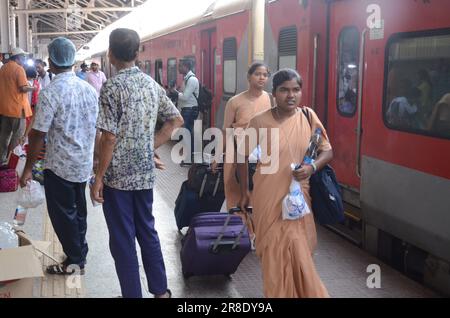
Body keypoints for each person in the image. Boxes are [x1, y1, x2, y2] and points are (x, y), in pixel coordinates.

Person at [91, 28, 183, 298]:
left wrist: (98, 177)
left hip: (117, 178)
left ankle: (132, 294)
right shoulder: (151, 84)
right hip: (143, 175)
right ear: (137, 52)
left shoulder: (112, 86)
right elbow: (176, 120)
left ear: (110, 52)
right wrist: (148, 145)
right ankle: (161, 291)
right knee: (147, 230)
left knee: (122, 238)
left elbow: (108, 137)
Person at [237, 68, 332, 298]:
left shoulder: (308, 117)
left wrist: (311, 167)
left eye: (296, 90)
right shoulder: (259, 122)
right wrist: (245, 191)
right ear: (274, 93)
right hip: (268, 198)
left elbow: (327, 151)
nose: (291, 95)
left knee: (300, 256)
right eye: (284, 90)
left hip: (299, 200)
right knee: (273, 255)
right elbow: (241, 156)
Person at [20, 37, 99, 275]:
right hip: (82, 165)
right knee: (78, 211)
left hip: (59, 166)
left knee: (63, 215)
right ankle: (79, 253)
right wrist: (95, 162)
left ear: (51, 63)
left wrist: (27, 168)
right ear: (73, 61)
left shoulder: (50, 92)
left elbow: (37, 135)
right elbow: (96, 129)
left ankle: (74, 263)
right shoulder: (89, 89)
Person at [212, 62, 272, 245]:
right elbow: (225, 130)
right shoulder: (235, 101)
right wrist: (217, 156)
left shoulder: (270, 98)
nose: (262, 78)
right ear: (249, 77)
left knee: (257, 192)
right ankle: (243, 233)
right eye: (257, 74)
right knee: (233, 190)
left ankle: (255, 233)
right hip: (235, 148)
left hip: (261, 151)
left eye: (265, 74)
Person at [0, 47, 36, 165]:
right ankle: (12, 162)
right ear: (18, 57)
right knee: (17, 137)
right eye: (23, 57)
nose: (24, 59)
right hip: (17, 109)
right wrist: (34, 88)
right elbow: (23, 88)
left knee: (4, 136)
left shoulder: (3, 68)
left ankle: (2, 159)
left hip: (4, 109)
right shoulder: (19, 69)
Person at [170, 58, 199, 162]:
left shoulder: (192, 80)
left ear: (186, 67)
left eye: (180, 66)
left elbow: (185, 97)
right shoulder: (186, 79)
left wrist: (175, 93)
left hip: (190, 110)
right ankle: (189, 156)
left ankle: (189, 158)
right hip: (187, 109)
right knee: (187, 133)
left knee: (187, 133)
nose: (178, 68)